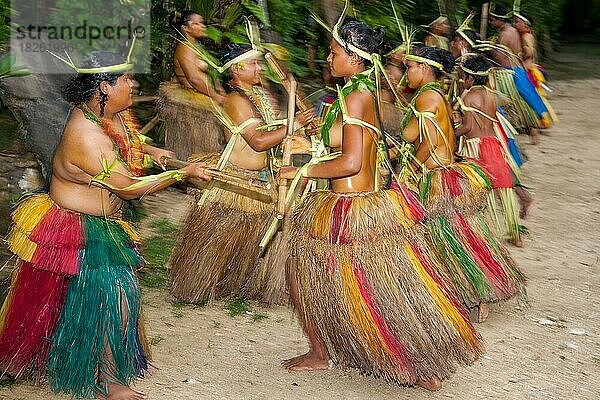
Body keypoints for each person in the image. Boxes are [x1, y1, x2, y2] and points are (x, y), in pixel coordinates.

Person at [280, 19, 483, 391]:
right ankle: (408, 365)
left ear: (356, 59)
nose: (328, 58)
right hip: (357, 203)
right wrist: (312, 139)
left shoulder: (357, 96)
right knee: (356, 283)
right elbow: (349, 147)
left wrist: (302, 172)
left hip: (353, 206)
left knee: (356, 284)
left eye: (335, 53)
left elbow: (352, 163)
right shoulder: (355, 92)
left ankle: (338, 355)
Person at [0, 51, 211, 399]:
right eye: (126, 79)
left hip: (99, 224)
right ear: (104, 87)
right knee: (115, 298)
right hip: (78, 230)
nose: (134, 83)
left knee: (91, 300)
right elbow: (129, 188)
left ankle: (85, 367)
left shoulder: (106, 116)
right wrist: (181, 173)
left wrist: (153, 151)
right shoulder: (86, 136)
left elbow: (128, 143)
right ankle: (110, 385)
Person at [168, 43, 314, 305]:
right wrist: (294, 124)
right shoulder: (236, 100)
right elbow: (257, 141)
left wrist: (299, 131)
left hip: (258, 180)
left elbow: (274, 133)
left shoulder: (256, 95)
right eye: (254, 63)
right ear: (237, 68)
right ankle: (198, 285)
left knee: (249, 242)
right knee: (217, 244)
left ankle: (238, 284)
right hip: (234, 181)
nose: (260, 68)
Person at [400, 46, 526, 322]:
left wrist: (410, 168)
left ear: (424, 69)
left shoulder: (428, 98)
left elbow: (431, 141)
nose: (405, 73)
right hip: (446, 173)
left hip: (439, 177)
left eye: (409, 67)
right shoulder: (433, 95)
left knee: (453, 238)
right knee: (459, 237)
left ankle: (474, 296)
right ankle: (470, 295)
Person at [454, 54, 533, 246]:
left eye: (463, 76)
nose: (462, 80)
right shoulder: (490, 95)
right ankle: (515, 233)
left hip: (475, 147)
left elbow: (468, 127)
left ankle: (478, 235)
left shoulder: (470, 96)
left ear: (470, 78)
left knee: (474, 190)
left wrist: (450, 132)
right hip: (493, 143)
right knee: (504, 188)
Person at [158, 10, 226, 159]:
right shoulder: (185, 48)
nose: (202, 26)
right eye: (197, 23)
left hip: (206, 93)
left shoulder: (196, 47)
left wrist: (220, 90)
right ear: (186, 28)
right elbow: (194, 78)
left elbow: (210, 73)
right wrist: (216, 97)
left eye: (202, 22)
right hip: (195, 97)